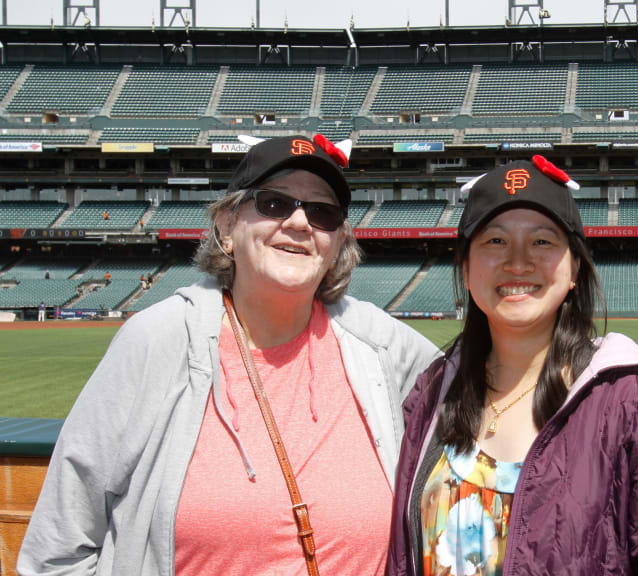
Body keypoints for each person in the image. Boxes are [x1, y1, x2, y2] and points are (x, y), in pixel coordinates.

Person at [19, 135, 440, 576]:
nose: (299, 223)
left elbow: (486, 396)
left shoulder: (381, 343)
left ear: (337, 243)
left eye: (323, 213)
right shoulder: (156, 341)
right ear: (225, 226)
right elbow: (58, 550)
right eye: (274, 204)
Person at [388, 156, 638, 575]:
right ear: (466, 269)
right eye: (495, 241)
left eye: (542, 241)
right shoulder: (434, 390)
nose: (518, 262)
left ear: (574, 267)